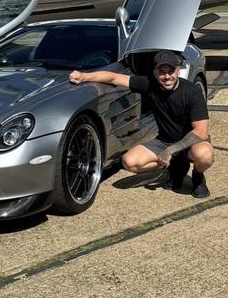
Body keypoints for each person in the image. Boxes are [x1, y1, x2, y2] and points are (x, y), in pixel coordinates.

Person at [69, 50, 213, 198]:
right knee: (130, 162)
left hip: (191, 143)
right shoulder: (149, 84)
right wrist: (84, 76)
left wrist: (170, 151)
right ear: (155, 72)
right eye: (162, 71)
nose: (167, 76)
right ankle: (176, 166)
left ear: (177, 71)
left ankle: (198, 177)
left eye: (171, 71)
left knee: (204, 155)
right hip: (165, 141)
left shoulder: (191, 92)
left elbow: (201, 132)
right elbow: (114, 78)